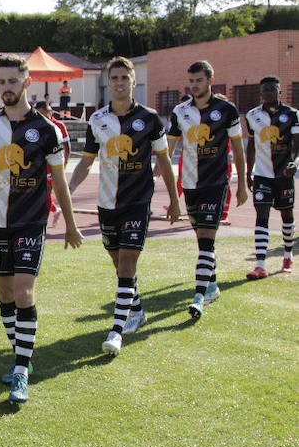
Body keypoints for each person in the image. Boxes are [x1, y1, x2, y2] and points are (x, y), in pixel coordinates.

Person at [0, 55, 82, 403]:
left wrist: (69, 222)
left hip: (31, 221)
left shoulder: (47, 129)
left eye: (12, 81)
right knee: (6, 296)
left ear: (26, 83)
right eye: (2, 82)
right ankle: (22, 353)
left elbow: (59, 182)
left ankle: (21, 371)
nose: (7, 88)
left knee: (24, 293)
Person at [68, 57, 180, 356]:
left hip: (138, 201)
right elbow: (86, 161)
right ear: (109, 83)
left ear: (133, 81)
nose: (118, 82)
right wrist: (68, 190)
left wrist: (174, 198)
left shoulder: (151, 118)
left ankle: (117, 331)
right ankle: (137, 309)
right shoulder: (98, 120)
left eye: (124, 77)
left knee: (128, 262)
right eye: (114, 78)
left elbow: (165, 161)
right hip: (107, 204)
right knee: (119, 265)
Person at [166, 61, 248, 317]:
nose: (194, 86)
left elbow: (238, 147)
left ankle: (199, 296)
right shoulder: (180, 111)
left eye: (198, 81)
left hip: (216, 182)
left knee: (205, 239)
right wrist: (160, 173)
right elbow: (168, 148)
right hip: (189, 183)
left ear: (210, 80)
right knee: (203, 241)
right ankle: (211, 284)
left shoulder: (227, 110)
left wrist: (243, 183)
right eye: (191, 81)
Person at [244, 75, 299, 279]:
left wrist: (294, 163)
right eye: (265, 90)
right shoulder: (252, 115)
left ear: (279, 92)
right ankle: (260, 264)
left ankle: (287, 254)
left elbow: (297, 144)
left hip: (284, 174)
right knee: (262, 216)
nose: (268, 93)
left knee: (287, 216)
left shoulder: (292, 114)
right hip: (262, 175)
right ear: (261, 93)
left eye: (272, 90)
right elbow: (250, 145)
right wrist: (249, 171)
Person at [34, 101, 70, 227]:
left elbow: (67, 146)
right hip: (38, 166)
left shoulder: (59, 125)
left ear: (49, 111)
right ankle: (53, 211)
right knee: (39, 193)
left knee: (46, 192)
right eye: (38, 114)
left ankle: (44, 220)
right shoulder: (35, 125)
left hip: (53, 166)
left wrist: (64, 163)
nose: (42, 116)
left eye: (44, 113)